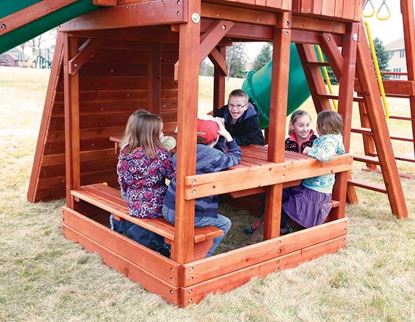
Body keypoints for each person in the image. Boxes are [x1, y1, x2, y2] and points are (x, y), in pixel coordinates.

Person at [162, 119, 242, 257]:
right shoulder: (215, 157)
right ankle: (204, 256)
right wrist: (227, 137)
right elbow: (235, 156)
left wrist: (219, 142)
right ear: (216, 137)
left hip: (168, 209)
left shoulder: (181, 152)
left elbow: (214, 154)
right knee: (225, 223)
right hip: (188, 216)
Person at [110, 111, 175, 256]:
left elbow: (123, 178)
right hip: (156, 204)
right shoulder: (161, 154)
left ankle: (123, 225)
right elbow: (173, 175)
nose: (162, 134)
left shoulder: (125, 151)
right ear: (151, 134)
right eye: (160, 131)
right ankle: (157, 244)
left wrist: (127, 193)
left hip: (133, 200)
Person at [244, 110, 318, 233]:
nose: (305, 129)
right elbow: (276, 149)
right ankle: (265, 220)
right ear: (292, 126)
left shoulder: (315, 142)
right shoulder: (288, 142)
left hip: (306, 182)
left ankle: (280, 225)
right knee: (269, 191)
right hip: (289, 178)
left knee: (281, 194)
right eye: (301, 125)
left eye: (307, 125)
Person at [280, 110, 345, 233]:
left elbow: (324, 156)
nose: (310, 128)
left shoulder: (328, 141)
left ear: (322, 127)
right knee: (282, 192)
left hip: (316, 187)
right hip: (311, 183)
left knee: (284, 201)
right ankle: (279, 225)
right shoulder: (334, 139)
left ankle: (282, 227)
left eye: (313, 125)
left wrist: (309, 150)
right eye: (301, 125)